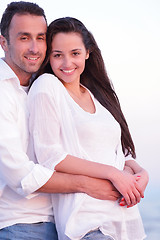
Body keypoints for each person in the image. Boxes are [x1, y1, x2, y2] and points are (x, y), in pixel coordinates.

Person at [0, 3, 122, 239]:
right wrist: (88, 184)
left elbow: (85, 146)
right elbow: (20, 175)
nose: (35, 48)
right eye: (24, 38)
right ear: (4, 42)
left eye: (40, 37)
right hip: (20, 225)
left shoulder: (46, 85)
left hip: (64, 223)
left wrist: (129, 168)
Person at [28, 17, 149, 240]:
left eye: (74, 53)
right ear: (49, 57)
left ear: (87, 52)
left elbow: (117, 153)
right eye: (57, 55)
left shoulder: (97, 95)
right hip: (87, 223)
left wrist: (140, 172)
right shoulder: (47, 86)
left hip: (124, 220)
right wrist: (114, 174)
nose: (66, 63)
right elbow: (50, 156)